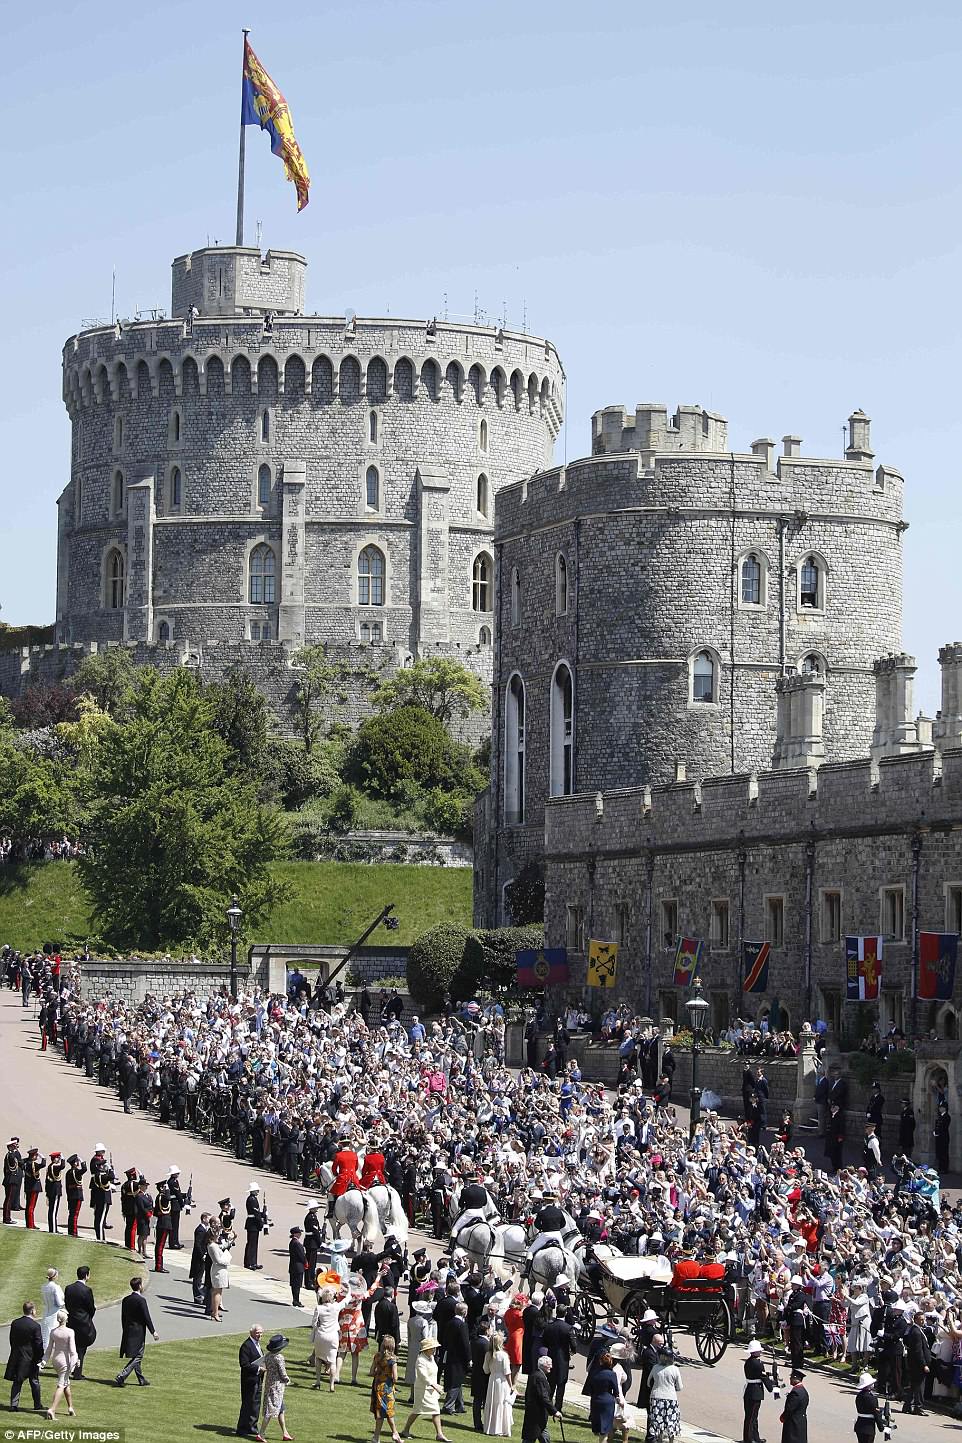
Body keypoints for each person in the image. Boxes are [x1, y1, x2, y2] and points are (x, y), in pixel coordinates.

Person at [399, 1335, 449, 1442]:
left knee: (435, 1410)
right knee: (417, 1411)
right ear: (427, 1349)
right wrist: (434, 1385)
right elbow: (423, 1376)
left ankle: (439, 1434)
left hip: (431, 1391)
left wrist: (435, 1386)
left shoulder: (431, 1358)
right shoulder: (421, 1360)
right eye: (433, 1348)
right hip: (423, 1390)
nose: (435, 1349)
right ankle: (405, 1430)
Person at [115, 1275, 158, 1386]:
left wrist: (124, 1329)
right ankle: (122, 1375)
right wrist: (153, 1331)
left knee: (136, 1355)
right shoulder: (141, 1300)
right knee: (138, 1356)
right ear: (139, 1286)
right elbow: (146, 1317)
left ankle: (141, 1379)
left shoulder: (126, 1300)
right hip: (138, 1332)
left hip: (128, 1329)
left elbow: (123, 1317)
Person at [5, 1301, 43, 1411]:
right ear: (32, 1311)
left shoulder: (15, 1323)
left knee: (17, 1381)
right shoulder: (35, 1326)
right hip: (31, 1358)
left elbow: (12, 1339)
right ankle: (37, 1404)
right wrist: (40, 1358)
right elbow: (38, 1344)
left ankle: (13, 1405)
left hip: (17, 1355)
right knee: (34, 1381)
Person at [41, 1308, 77, 1420]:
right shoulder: (70, 1332)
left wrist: (43, 1362)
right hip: (65, 1362)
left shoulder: (53, 1332)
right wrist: (74, 1364)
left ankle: (70, 1407)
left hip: (56, 1361)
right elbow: (72, 1351)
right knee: (61, 1384)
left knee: (66, 1383)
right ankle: (52, 1409)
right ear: (66, 1319)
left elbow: (48, 1350)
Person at [310, 1283, 345, 1391]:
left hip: (321, 1335)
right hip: (333, 1336)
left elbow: (314, 1324)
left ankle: (318, 1381)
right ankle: (331, 1385)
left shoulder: (319, 1308)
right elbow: (347, 1299)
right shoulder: (336, 1306)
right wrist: (347, 1287)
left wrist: (318, 1326)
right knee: (332, 1361)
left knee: (319, 1358)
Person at [64, 1266, 96, 1380]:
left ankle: (73, 1369)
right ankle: (77, 1372)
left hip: (72, 1321)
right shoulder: (87, 1290)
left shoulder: (69, 1288)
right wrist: (87, 1317)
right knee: (81, 1348)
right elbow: (91, 1308)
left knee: (74, 1347)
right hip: (83, 1322)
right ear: (86, 1275)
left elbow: (67, 1304)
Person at [646, 1345, 683, 1443]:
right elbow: (680, 1387)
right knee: (671, 1421)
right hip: (671, 1398)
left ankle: (660, 1440)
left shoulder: (655, 1367)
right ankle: (671, 1441)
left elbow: (648, 1382)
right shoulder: (674, 1369)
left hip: (656, 1396)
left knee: (657, 1421)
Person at [370, 1334, 403, 1443]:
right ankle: (393, 1434)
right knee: (388, 1411)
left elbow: (371, 1372)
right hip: (387, 1388)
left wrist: (379, 1373)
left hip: (377, 1386)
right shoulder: (392, 1359)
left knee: (381, 1412)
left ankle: (379, 1436)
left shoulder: (377, 1356)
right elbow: (395, 1377)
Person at [522, 1354, 561, 1443]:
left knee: (543, 1437)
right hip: (536, 1415)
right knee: (530, 1438)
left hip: (538, 1415)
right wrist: (554, 1411)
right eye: (549, 1364)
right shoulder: (539, 1377)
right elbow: (543, 1397)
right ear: (543, 1365)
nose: (551, 1366)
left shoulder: (537, 1375)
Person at [261, 1333, 293, 1442]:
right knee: (270, 1411)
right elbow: (283, 1374)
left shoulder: (267, 1356)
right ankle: (261, 1433)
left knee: (281, 1410)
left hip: (269, 1384)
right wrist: (288, 1380)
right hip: (277, 1388)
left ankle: (285, 1433)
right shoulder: (279, 1358)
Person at [441, 1301, 470, 1414]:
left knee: (458, 1379)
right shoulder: (461, 1325)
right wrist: (469, 1358)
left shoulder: (450, 1322)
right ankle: (448, 1406)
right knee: (455, 1381)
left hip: (450, 1354)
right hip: (459, 1357)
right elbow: (465, 1344)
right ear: (465, 1312)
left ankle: (460, 1404)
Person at [482, 1330, 513, 1436]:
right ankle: (502, 1428)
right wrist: (511, 1385)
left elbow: (486, 1370)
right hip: (502, 1381)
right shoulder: (503, 1355)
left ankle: (490, 1427)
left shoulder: (488, 1355)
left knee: (492, 1403)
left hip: (492, 1380)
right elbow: (507, 1372)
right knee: (502, 1403)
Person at [237, 1324, 265, 1440]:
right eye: (258, 1332)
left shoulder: (258, 1345)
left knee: (256, 1404)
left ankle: (252, 1427)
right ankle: (242, 1429)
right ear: (251, 1333)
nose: (260, 1335)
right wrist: (259, 1369)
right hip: (249, 1381)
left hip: (258, 1379)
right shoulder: (246, 1346)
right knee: (248, 1404)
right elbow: (244, 1364)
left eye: (261, 1333)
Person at [742, 1340, 773, 1443]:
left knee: (751, 1417)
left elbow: (758, 1374)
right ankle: (748, 1439)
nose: (760, 1352)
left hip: (749, 1391)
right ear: (755, 1352)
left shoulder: (748, 1362)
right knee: (751, 1418)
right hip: (755, 1393)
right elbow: (763, 1377)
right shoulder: (758, 1363)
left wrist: (768, 1375)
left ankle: (755, 1438)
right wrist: (772, 1387)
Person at [586, 1349, 619, 1443]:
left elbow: (590, 1388)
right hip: (607, 1401)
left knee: (598, 1427)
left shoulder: (594, 1373)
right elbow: (616, 1391)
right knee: (605, 1429)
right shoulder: (612, 1374)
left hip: (595, 1400)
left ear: (600, 1362)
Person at [903, 1309, 931, 1415]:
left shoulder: (918, 1330)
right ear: (915, 1320)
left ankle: (907, 1405)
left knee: (914, 1385)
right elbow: (918, 1350)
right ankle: (918, 1407)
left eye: (924, 1319)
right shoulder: (916, 1331)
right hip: (917, 1364)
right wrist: (923, 1364)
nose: (923, 1322)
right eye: (921, 1320)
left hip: (915, 1363)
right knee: (919, 1386)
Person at [208, 1229, 232, 1323]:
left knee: (218, 1292)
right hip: (218, 1270)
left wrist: (230, 1241)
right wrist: (227, 1261)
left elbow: (222, 1246)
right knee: (217, 1292)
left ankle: (215, 1312)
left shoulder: (214, 1245)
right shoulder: (212, 1246)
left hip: (219, 1270)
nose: (218, 1236)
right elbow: (218, 1260)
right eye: (217, 1235)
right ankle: (215, 1313)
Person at [854, 1372, 885, 1441]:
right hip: (868, 1427)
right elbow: (876, 1413)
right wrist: (882, 1427)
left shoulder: (859, 1396)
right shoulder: (871, 1398)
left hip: (859, 1425)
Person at [780, 1369, 808, 1443]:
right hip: (800, 1421)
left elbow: (789, 1408)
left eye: (791, 1377)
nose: (790, 1379)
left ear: (796, 1379)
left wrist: (783, 1417)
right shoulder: (803, 1390)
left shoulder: (796, 1392)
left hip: (793, 1422)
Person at [41, 1267, 65, 1348]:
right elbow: (59, 1303)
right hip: (54, 1314)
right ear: (54, 1276)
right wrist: (64, 1303)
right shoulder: (56, 1287)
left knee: (46, 1337)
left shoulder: (44, 1287)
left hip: (46, 1314)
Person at [288, 1226, 308, 1307]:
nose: (300, 1234)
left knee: (294, 1284)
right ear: (296, 1234)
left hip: (293, 1266)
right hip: (298, 1266)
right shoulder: (297, 1243)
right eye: (299, 1233)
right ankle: (296, 1300)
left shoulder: (292, 1242)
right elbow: (301, 1255)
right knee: (297, 1285)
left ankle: (295, 1299)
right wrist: (305, 1262)